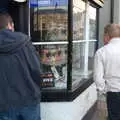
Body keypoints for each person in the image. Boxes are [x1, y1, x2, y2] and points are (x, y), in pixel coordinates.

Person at [0, 12, 41, 120]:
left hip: (4, 105)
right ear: (10, 25)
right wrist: (36, 89)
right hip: (29, 99)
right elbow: (36, 69)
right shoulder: (25, 42)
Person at [94, 23, 120, 120]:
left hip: (113, 92)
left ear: (107, 36)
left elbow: (98, 78)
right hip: (113, 91)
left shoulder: (101, 52)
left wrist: (104, 90)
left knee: (115, 117)